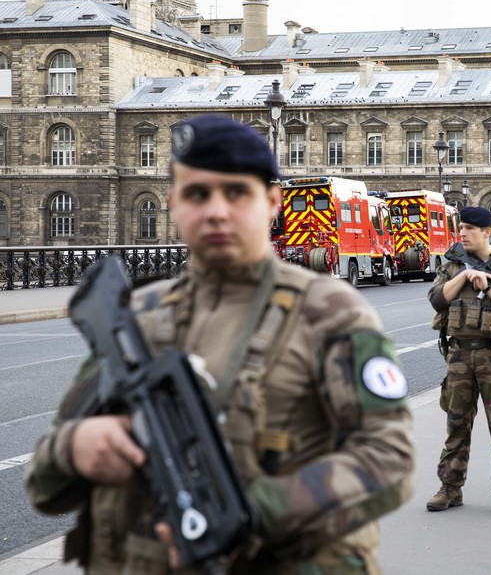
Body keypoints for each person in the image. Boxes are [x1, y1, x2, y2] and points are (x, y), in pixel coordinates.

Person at [25, 114, 414, 573]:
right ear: (171, 201)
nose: (216, 210)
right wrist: (75, 447)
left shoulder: (330, 313)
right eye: (197, 193)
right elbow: (44, 486)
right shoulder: (136, 317)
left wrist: (249, 515)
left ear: (272, 201)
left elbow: (389, 459)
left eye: (236, 193)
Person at [425, 206, 491, 515]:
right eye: (462, 228)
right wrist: (466, 275)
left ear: (486, 232)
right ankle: (450, 487)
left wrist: (487, 287)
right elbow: (436, 298)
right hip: (458, 355)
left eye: (469, 228)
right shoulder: (453, 266)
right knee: (456, 423)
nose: (463, 233)